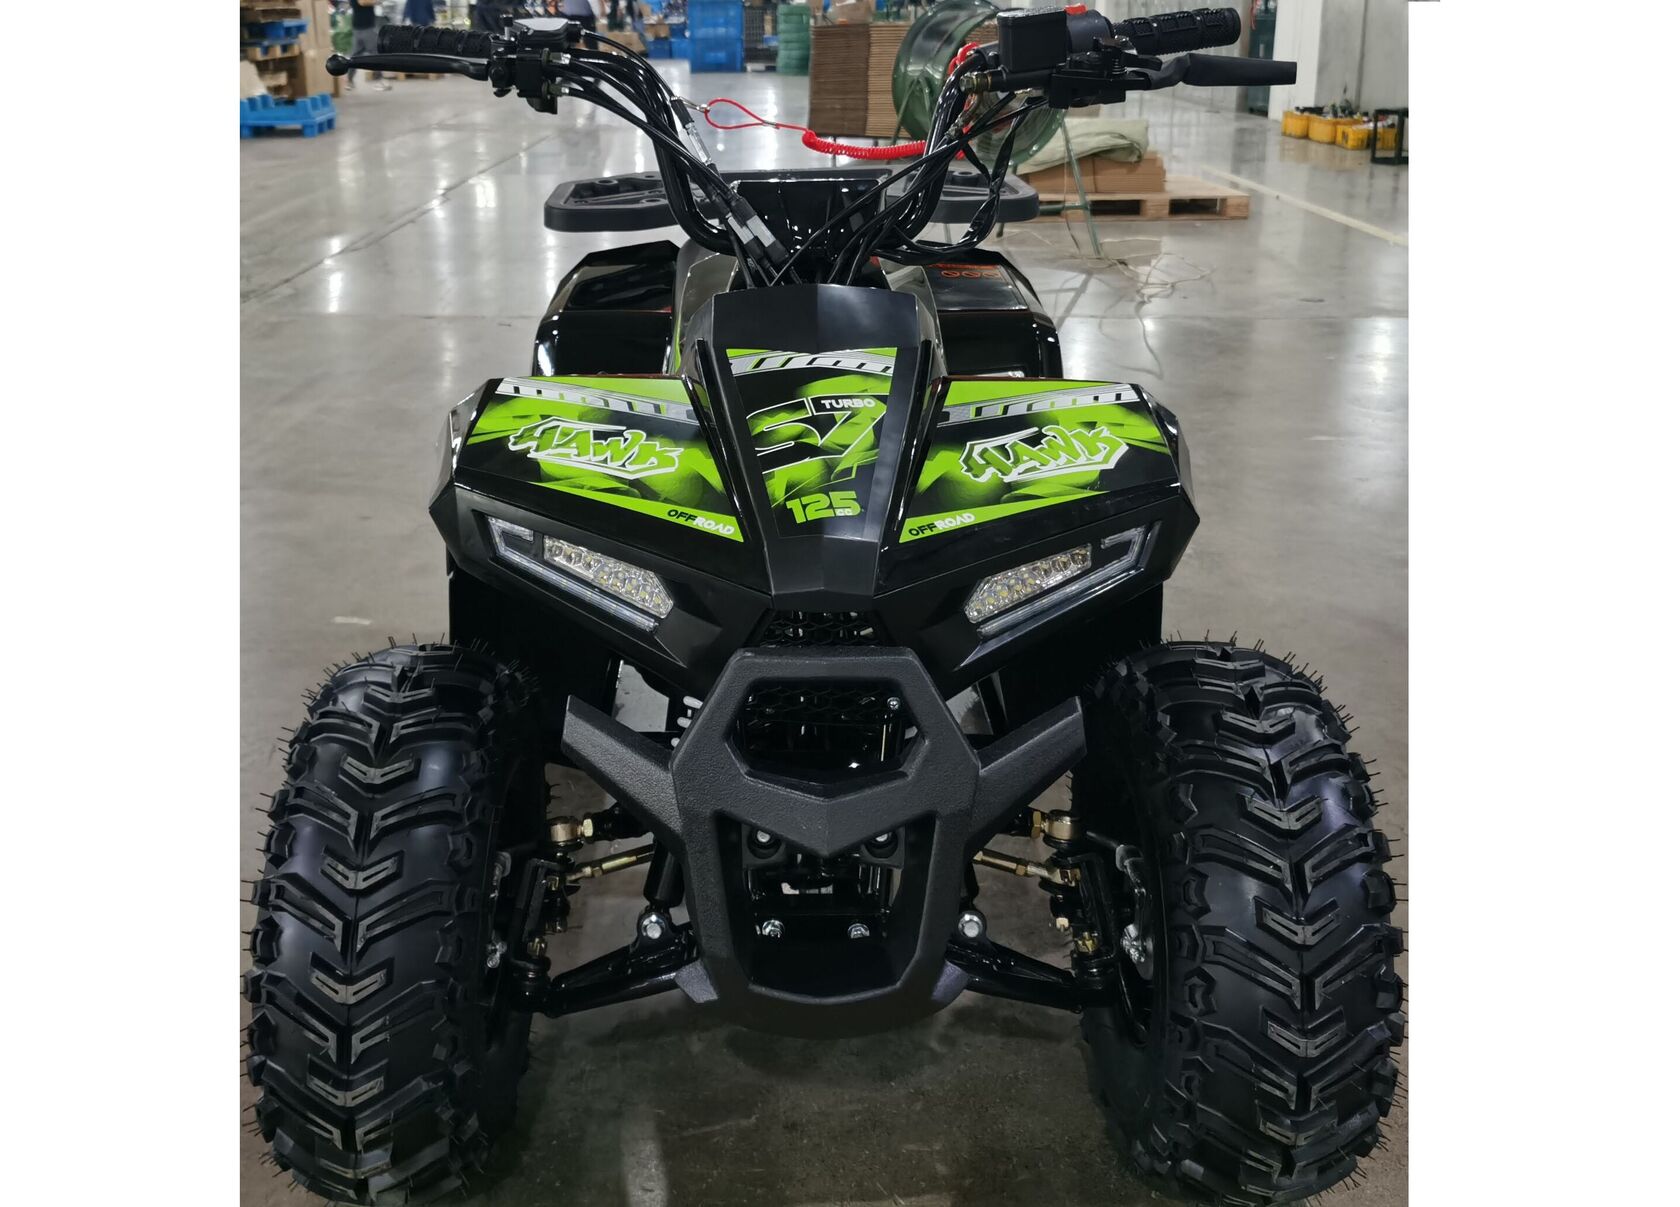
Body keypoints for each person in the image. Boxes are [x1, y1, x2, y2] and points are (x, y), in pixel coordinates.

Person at [349, 0, 391, 91]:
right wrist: (377, 1)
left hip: (360, 26)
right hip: (365, 27)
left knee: (355, 55)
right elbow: (362, 2)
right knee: (375, 53)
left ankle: (349, 80)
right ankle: (379, 80)